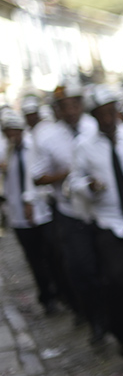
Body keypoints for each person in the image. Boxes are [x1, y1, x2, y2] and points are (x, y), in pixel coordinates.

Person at [69, 85, 123, 358]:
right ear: (93, 116)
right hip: (109, 223)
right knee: (115, 281)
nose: (106, 119)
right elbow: (73, 182)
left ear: (117, 111)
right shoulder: (84, 146)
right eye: (100, 114)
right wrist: (87, 185)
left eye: (110, 112)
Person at [30, 82, 104, 343]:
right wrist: (71, 174)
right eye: (64, 106)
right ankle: (93, 319)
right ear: (57, 110)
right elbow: (38, 177)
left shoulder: (96, 127)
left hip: (100, 210)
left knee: (109, 269)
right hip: (70, 212)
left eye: (75, 104)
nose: (71, 110)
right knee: (80, 269)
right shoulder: (48, 138)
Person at [1, 108, 58, 315]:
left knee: (51, 255)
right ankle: (47, 297)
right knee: (33, 258)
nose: (11, 136)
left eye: (14, 131)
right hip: (17, 215)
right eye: (7, 132)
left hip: (42, 212)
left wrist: (31, 203)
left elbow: (37, 177)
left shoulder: (33, 147)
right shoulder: (5, 150)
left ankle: (60, 292)